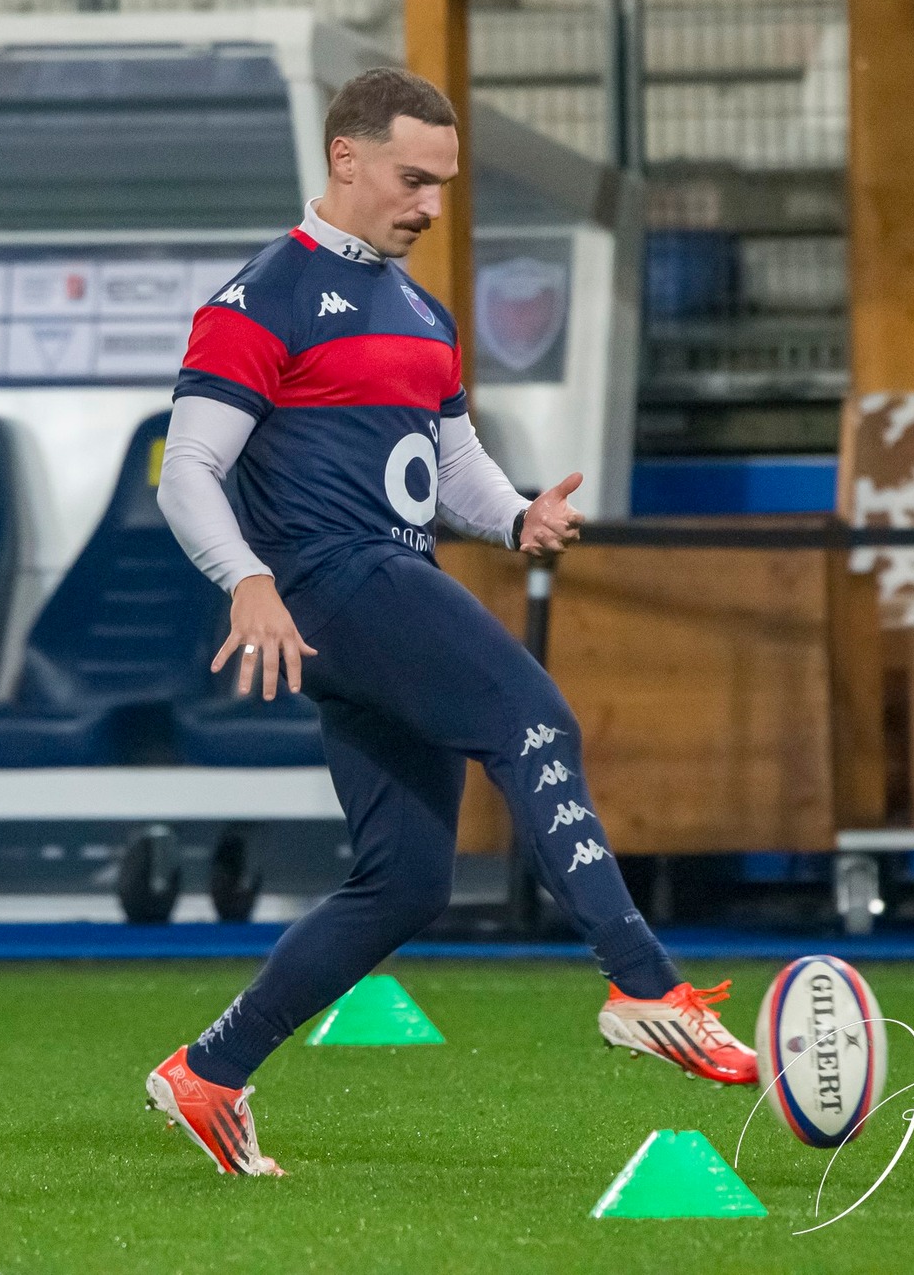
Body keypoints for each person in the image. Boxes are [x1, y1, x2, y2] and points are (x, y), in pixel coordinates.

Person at [144, 67, 755, 1178]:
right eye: (412, 179)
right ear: (345, 158)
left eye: (443, 185)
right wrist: (245, 579)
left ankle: (210, 1072)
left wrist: (516, 514)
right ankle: (643, 984)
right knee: (533, 718)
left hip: (378, 589)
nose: (430, 205)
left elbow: (451, 461)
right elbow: (187, 469)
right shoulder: (260, 298)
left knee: (406, 881)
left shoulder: (421, 310)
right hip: (338, 578)